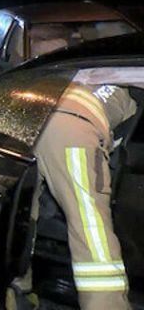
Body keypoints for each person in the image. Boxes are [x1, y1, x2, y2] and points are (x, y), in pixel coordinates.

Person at [7, 83, 136, 310]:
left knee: (21, 217)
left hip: (25, 122)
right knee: (91, 231)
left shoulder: (86, 75)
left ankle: (17, 290)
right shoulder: (130, 92)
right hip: (71, 133)